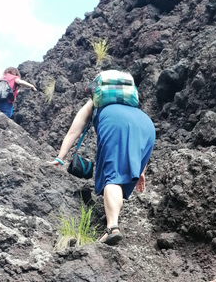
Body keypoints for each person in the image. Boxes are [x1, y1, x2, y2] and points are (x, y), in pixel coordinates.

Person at [49, 97, 156, 245]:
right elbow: (138, 146)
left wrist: (60, 157)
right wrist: (141, 171)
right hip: (147, 125)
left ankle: (112, 228)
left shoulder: (93, 103)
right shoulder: (131, 106)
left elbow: (74, 131)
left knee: (112, 177)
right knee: (118, 178)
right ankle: (112, 222)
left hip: (116, 124)